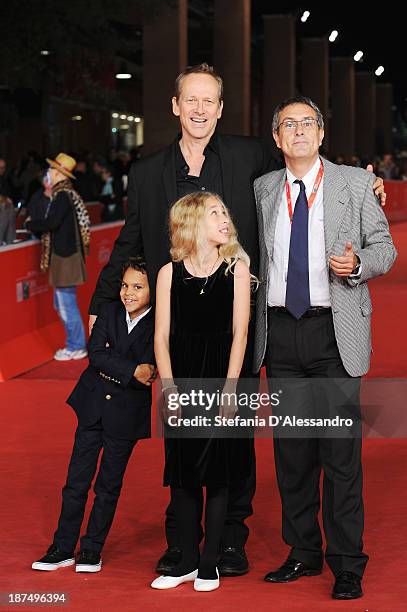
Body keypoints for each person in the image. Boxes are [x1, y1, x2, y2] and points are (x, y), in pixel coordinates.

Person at [87, 64, 387, 576]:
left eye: (210, 101)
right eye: (192, 100)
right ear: (175, 106)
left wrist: (367, 183)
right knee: (188, 433)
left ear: (221, 109)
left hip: (245, 328)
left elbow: (305, 157)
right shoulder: (148, 172)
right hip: (182, 327)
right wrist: (101, 302)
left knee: (241, 435)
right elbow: (130, 244)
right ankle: (184, 539)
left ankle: (234, 538)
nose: (200, 109)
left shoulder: (251, 157)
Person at [253, 96, 397, 600]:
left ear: (321, 134)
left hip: (335, 333)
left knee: (340, 454)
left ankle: (347, 563)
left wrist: (358, 264)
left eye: (307, 123)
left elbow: (386, 247)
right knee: (292, 453)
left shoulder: (356, 184)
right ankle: (303, 552)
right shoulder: (263, 189)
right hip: (280, 333)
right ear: (276, 138)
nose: (298, 131)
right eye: (287, 124)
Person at [152, 192, 251, 591]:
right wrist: (170, 389)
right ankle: (186, 561)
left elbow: (240, 333)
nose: (225, 219)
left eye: (225, 212)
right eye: (215, 213)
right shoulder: (167, 273)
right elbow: (160, 337)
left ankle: (210, 563)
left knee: (220, 473)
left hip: (222, 377)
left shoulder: (237, 270)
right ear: (192, 222)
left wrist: (230, 389)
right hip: (182, 377)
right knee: (183, 473)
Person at [32, 257, 156, 573]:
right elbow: (98, 355)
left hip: (125, 416)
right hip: (91, 408)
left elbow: (150, 367)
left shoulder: (158, 324)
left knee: (108, 486)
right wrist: (129, 370)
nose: (128, 292)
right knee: (75, 482)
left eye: (138, 287)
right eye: (125, 285)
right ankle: (61, 547)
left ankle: (91, 549)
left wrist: (118, 364)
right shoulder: (109, 311)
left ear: (153, 291)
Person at [26, 153, 90, 361]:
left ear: (58, 173)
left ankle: (76, 346)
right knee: (62, 302)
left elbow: (51, 223)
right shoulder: (65, 194)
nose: (48, 175)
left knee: (65, 304)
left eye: (51, 171)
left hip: (65, 257)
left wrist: (29, 224)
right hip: (65, 256)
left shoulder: (62, 195)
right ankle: (76, 344)